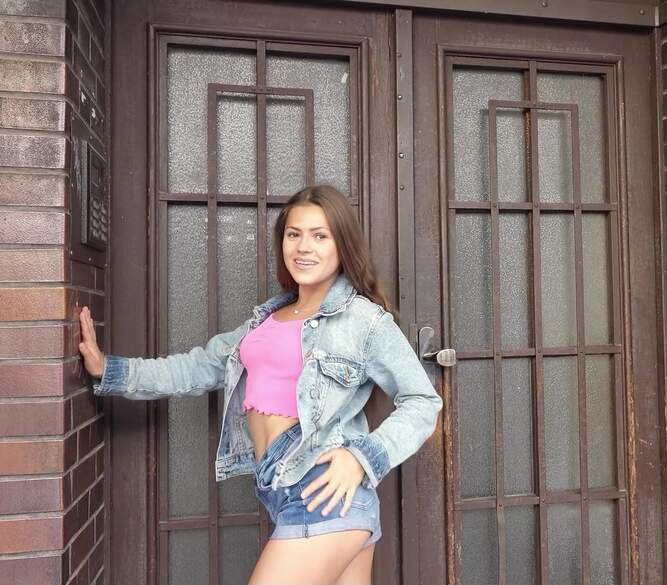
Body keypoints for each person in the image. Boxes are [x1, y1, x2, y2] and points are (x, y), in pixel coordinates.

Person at [77, 184, 444, 585]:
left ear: (342, 246)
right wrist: (109, 370)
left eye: (320, 236)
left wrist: (362, 458)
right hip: (282, 487)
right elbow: (195, 368)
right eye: (294, 234)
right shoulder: (264, 321)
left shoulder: (364, 320)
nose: (304, 247)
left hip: (321, 489)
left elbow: (423, 401)